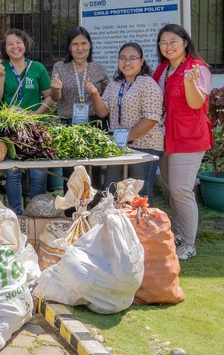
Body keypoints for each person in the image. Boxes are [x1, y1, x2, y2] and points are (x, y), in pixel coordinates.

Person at [153, 24, 213, 261]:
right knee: (172, 188)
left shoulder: (198, 69)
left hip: (189, 138)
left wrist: (189, 82)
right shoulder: (162, 69)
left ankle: (189, 243)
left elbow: (197, 103)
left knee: (181, 189)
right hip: (166, 137)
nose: (168, 47)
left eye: (173, 41)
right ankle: (178, 234)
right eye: (163, 43)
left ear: (185, 42)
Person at [86, 43, 163, 204]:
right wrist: (94, 93)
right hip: (119, 147)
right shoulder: (115, 84)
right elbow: (102, 112)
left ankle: (143, 228)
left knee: (138, 194)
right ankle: (117, 227)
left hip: (144, 146)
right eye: (122, 58)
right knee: (112, 191)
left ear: (141, 61)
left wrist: (127, 137)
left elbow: (151, 118)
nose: (127, 63)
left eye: (132, 58)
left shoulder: (148, 84)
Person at [0, 28, 53, 215]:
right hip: (10, 129)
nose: (15, 46)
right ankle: (15, 214)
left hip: (35, 129)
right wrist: (0, 77)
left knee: (38, 174)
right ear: (5, 48)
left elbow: (50, 97)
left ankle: (35, 214)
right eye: (10, 44)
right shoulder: (1, 68)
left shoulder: (37, 68)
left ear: (25, 44)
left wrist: (37, 113)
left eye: (18, 42)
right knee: (12, 173)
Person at [50, 27, 109, 126]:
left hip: (95, 124)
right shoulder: (59, 67)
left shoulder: (100, 68)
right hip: (67, 125)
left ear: (90, 45)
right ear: (69, 47)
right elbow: (55, 98)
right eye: (75, 44)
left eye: (84, 43)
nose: (80, 48)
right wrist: (55, 90)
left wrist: (94, 93)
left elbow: (107, 98)